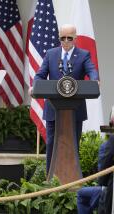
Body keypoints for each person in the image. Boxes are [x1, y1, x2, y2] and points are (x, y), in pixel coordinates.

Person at [31, 24, 99, 173]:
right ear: (59, 38)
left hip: (75, 110)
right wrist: (34, 86)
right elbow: (40, 75)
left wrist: (95, 80)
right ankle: (50, 182)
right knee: (51, 145)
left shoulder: (83, 55)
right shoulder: (51, 54)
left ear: (75, 38)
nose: (66, 41)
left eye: (69, 38)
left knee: (73, 145)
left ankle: (72, 179)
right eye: (63, 38)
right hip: (53, 109)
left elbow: (92, 71)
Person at [77, 135, 114, 214]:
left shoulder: (110, 142)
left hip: (108, 190)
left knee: (81, 194)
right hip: (106, 186)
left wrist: (102, 183)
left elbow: (103, 175)